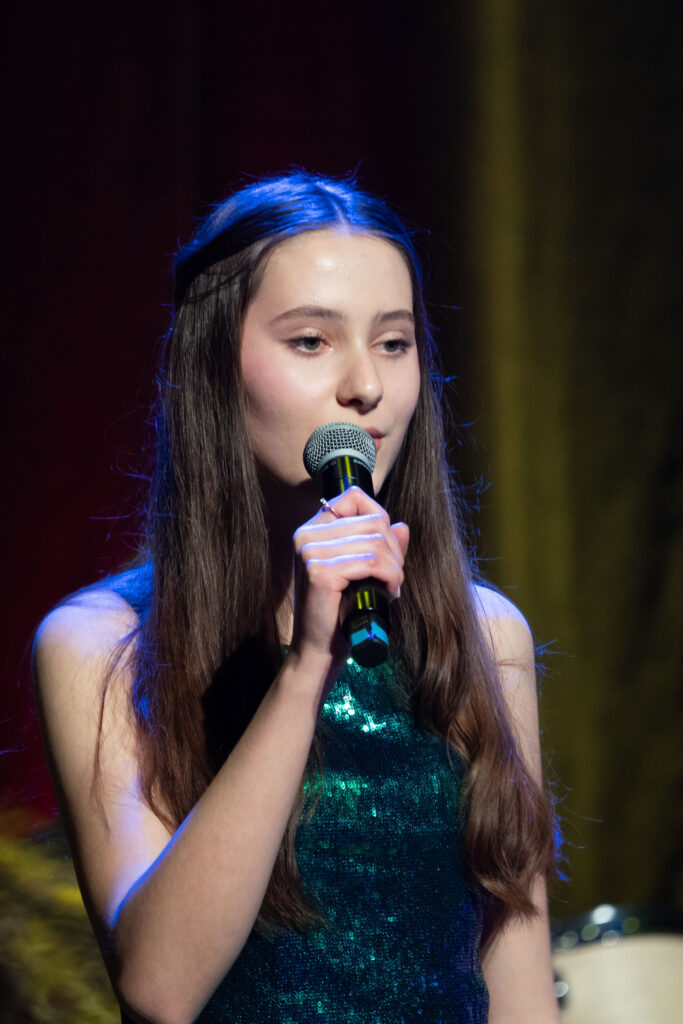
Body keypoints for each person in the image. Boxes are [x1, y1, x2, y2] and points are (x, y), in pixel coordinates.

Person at [33, 171, 561, 1023]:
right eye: (311, 341)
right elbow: (160, 988)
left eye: (394, 342)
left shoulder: (483, 634)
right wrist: (309, 663)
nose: (366, 386)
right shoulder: (103, 643)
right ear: (212, 363)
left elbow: (522, 995)